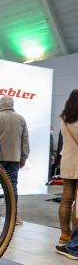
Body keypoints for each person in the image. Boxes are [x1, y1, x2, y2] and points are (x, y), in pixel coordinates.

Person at [0, 96, 29, 225]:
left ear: (0, 105)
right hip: (13, 158)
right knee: (12, 186)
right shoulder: (21, 119)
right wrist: (23, 157)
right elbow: (25, 141)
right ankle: (13, 216)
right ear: (12, 104)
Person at [57, 89, 78, 244]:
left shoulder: (64, 118)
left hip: (67, 162)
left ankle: (65, 233)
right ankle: (75, 236)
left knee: (66, 200)